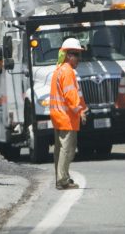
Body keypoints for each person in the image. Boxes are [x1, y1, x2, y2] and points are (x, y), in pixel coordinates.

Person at [49, 37, 87, 190]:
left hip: (58, 116)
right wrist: (80, 111)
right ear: (68, 55)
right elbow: (70, 96)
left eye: (79, 54)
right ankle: (62, 179)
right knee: (68, 149)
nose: (78, 58)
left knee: (59, 149)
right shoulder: (68, 71)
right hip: (66, 117)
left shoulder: (59, 70)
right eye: (76, 54)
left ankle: (61, 177)